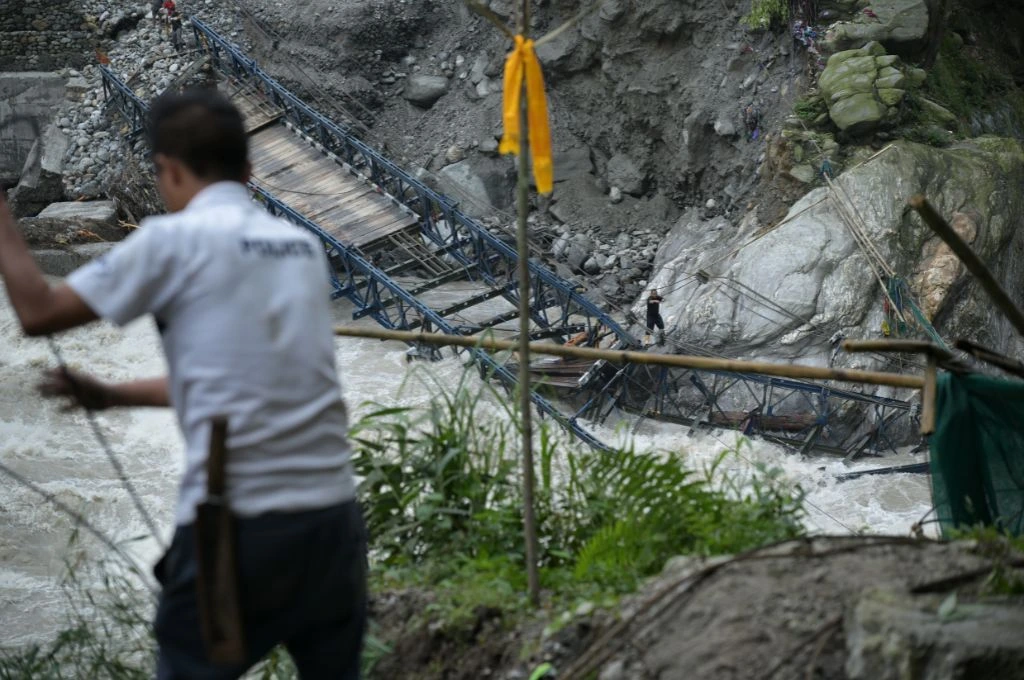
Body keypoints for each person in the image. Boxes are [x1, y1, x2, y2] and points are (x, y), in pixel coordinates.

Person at [0, 90, 367, 679]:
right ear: (248, 171)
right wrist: (115, 394)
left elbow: (38, 310)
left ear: (166, 168)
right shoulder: (301, 248)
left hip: (240, 527)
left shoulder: (171, 241)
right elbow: (249, 381)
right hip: (335, 525)